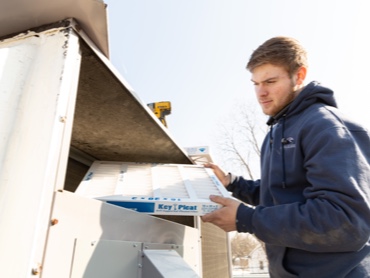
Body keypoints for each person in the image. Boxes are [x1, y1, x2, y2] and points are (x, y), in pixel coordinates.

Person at [201, 36, 370, 277]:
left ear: (299, 76)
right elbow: (281, 196)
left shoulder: (327, 127)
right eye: (255, 83)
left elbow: (344, 221)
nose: (261, 92)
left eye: (270, 81)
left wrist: (247, 219)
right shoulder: (277, 130)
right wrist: (232, 183)